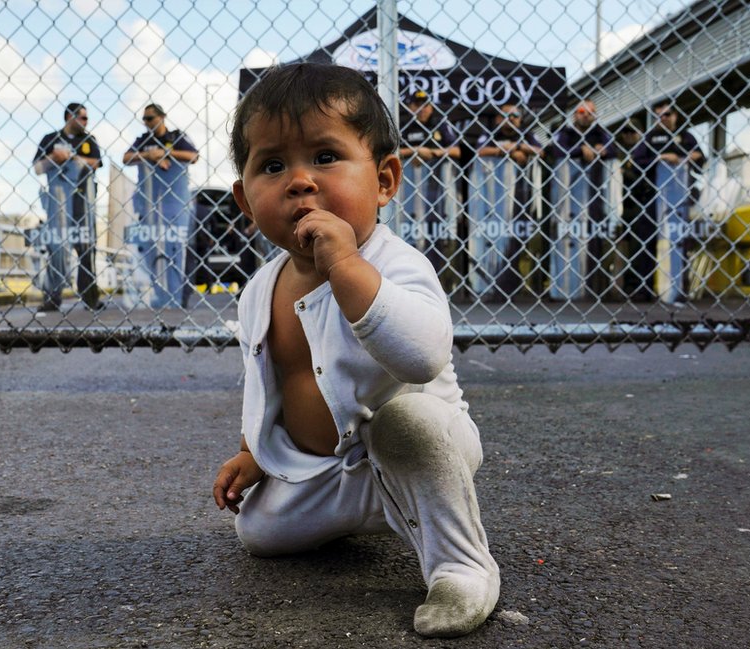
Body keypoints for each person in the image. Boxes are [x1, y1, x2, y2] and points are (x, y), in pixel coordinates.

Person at [213, 63, 499, 639]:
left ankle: (460, 565)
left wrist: (346, 268)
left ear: (385, 180)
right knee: (259, 533)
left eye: (325, 157)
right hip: (326, 469)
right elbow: (263, 381)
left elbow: (422, 358)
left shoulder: (395, 263)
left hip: (424, 447)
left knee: (407, 424)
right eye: (273, 166)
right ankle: (378, 507)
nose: (300, 181)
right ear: (245, 200)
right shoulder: (258, 291)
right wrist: (251, 451)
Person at [123, 103, 199, 309]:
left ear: (162, 117)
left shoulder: (175, 137)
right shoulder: (143, 140)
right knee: (150, 249)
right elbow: (126, 158)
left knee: (178, 248)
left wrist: (166, 154)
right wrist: (149, 155)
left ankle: (180, 294)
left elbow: (193, 156)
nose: (146, 123)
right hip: (149, 203)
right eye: (144, 119)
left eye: (150, 118)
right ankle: (161, 293)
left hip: (175, 203)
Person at [32, 102, 103, 311]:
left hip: (83, 201)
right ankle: (52, 297)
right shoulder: (51, 139)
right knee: (57, 248)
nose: (85, 122)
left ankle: (90, 298)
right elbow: (37, 167)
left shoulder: (89, 139)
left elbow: (97, 163)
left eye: (86, 118)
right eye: (82, 118)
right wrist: (54, 158)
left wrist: (73, 158)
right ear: (69, 117)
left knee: (86, 247)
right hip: (59, 202)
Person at [634, 102, 705, 303]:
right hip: (654, 195)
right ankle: (645, 288)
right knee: (647, 241)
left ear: (675, 116)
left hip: (679, 196)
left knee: (679, 241)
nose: (663, 119)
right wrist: (661, 157)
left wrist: (681, 157)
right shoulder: (649, 138)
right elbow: (637, 162)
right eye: (658, 116)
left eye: (667, 115)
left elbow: (700, 157)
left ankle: (679, 287)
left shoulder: (686, 136)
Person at [468, 104, 541, 301]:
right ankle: (490, 288)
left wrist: (515, 147)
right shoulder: (491, 133)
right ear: (499, 118)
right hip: (493, 198)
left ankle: (519, 288)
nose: (510, 119)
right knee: (494, 240)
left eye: (515, 115)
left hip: (522, 197)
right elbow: (480, 150)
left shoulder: (527, 134)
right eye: (505, 115)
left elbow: (540, 151)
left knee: (519, 240)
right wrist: (504, 150)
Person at [548, 99, 616, 300]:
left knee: (594, 242)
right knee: (564, 241)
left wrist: (599, 150)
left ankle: (594, 288)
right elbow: (556, 150)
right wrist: (581, 150)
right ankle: (562, 287)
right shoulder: (566, 133)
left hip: (593, 200)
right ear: (574, 115)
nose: (586, 115)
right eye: (581, 111)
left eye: (590, 112)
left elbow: (614, 150)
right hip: (565, 200)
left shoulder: (601, 133)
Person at [398, 89, 461, 288]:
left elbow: (458, 150)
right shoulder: (403, 126)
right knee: (409, 233)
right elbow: (390, 150)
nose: (422, 109)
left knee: (436, 232)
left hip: (437, 191)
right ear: (410, 107)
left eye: (425, 105)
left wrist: (432, 151)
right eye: (417, 105)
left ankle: (440, 279)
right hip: (408, 192)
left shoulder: (441, 124)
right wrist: (414, 151)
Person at [616, 120, 656, 301]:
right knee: (623, 247)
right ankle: (624, 285)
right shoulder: (619, 152)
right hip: (622, 205)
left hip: (640, 203)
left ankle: (637, 285)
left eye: (632, 132)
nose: (629, 135)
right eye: (625, 132)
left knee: (639, 247)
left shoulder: (645, 149)